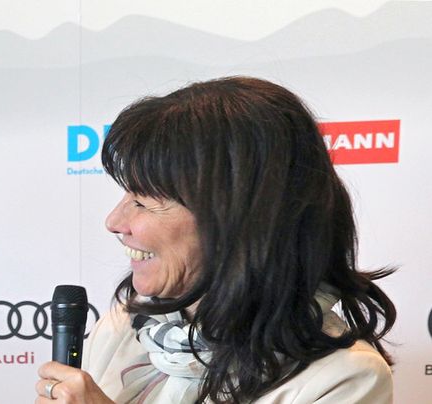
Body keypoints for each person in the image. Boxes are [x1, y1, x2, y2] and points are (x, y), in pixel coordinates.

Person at [35, 77, 396, 403]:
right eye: (126, 195)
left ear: (238, 218)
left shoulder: (346, 379)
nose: (114, 222)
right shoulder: (122, 329)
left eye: (143, 201)